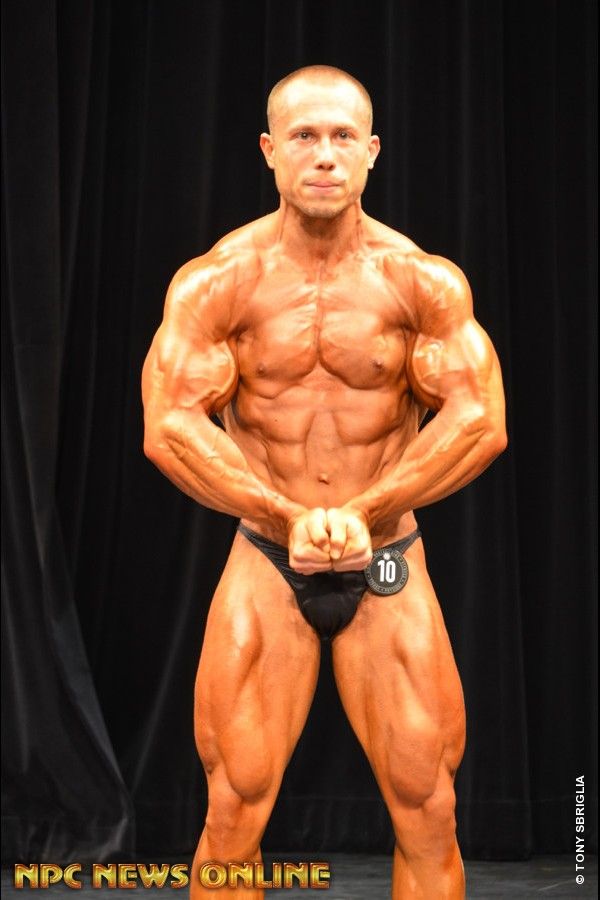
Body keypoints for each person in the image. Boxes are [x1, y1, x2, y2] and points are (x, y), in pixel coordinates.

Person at [142, 64, 507, 899]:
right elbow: (169, 426)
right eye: (304, 136)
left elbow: (480, 418)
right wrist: (285, 514)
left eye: (344, 136)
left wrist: (363, 511)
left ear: (372, 152)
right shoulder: (219, 281)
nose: (325, 155)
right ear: (269, 150)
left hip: (386, 560)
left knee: (429, 808)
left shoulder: (419, 280)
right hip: (269, 559)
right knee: (232, 812)